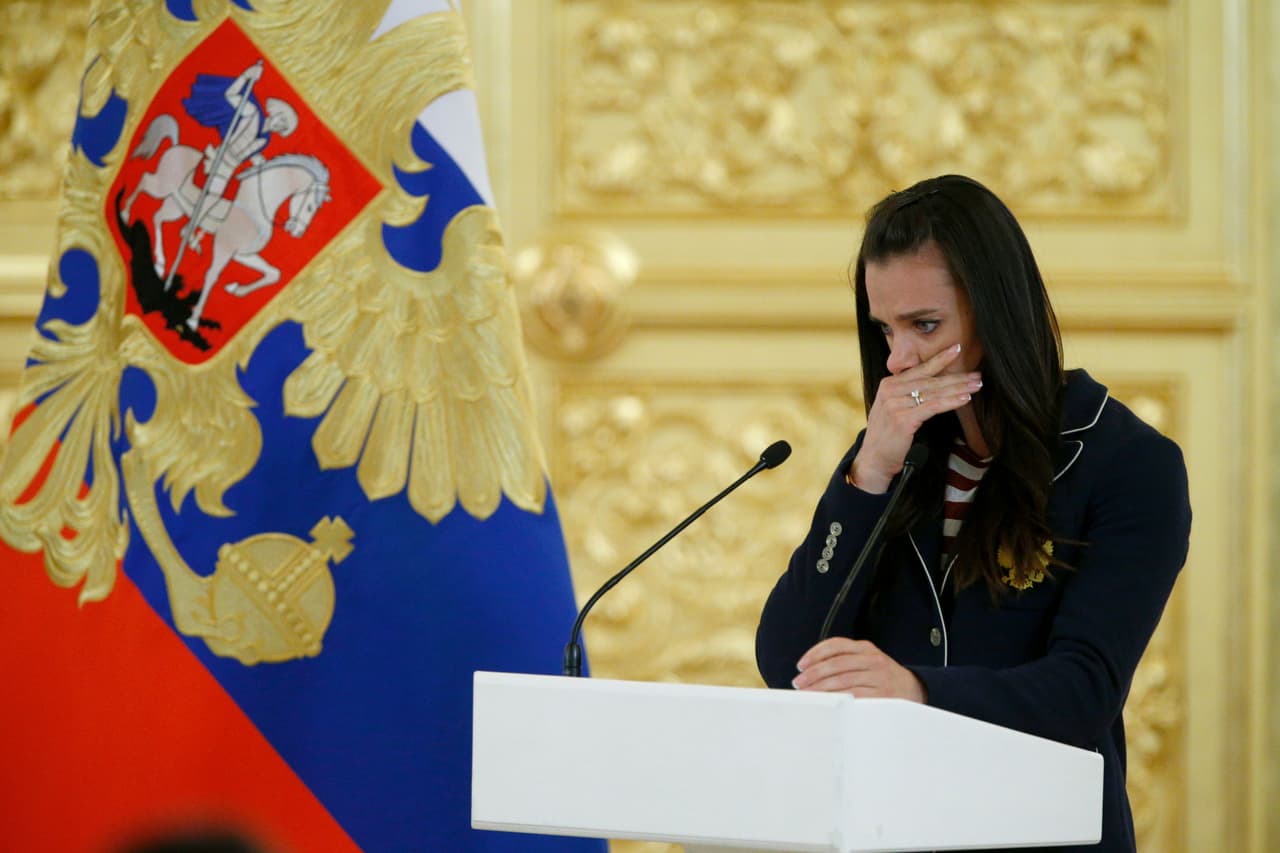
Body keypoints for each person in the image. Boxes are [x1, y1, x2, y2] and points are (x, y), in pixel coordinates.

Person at [755, 174, 1191, 852]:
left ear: (998, 309)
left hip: (1039, 833)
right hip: (891, 830)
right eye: (884, 329)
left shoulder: (1130, 463)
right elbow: (787, 658)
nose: (898, 359)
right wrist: (868, 474)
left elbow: (1083, 690)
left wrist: (916, 690)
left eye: (924, 325)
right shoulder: (892, 456)